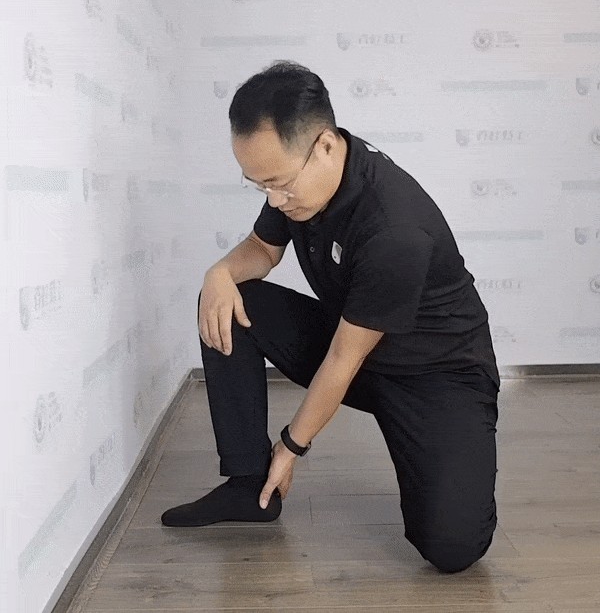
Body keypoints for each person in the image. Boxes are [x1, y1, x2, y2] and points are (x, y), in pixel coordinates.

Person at [161, 60, 501, 574]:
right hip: (358, 347)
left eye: (279, 184)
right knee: (228, 300)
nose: (274, 199)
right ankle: (248, 487)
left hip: (436, 375)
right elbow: (262, 249)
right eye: (259, 186)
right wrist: (219, 272)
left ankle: (453, 454)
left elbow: (344, 358)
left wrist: (291, 446)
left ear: (324, 145)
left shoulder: (394, 227)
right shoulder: (298, 184)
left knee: (453, 549)